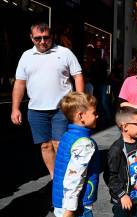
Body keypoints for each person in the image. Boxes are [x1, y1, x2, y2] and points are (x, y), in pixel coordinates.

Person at [11, 22, 84, 179]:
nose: (43, 41)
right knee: (45, 145)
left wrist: (80, 102)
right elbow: (20, 83)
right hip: (36, 110)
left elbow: (77, 75)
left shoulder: (64, 53)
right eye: (38, 38)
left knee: (60, 145)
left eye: (46, 38)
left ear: (52, 37)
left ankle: (66, 177)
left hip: (62, 108)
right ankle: (55, 178)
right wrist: (15, 108)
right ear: (31, 38)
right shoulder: (26, 56)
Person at [52, 92, 101, 217]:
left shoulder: (68, 136)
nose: (97, 115)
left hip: (64, 200)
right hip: (78, 205)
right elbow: (74, 178)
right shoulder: (84, 143)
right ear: (81, 116)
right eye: (94, 113)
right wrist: (70, 210)